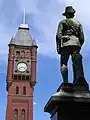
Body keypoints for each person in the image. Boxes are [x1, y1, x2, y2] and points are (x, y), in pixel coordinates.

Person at [56, 6, 85, 84]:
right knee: (77, 63)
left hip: (66, 44)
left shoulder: (62, 22)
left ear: (66, 15)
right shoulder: (78, 24)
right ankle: (79, 80)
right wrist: (79, 45)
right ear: (73, 14)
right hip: (76, 44)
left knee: (64, 63)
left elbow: (58, 35)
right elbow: (82, 37)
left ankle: (65, 82)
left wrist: (58, 47)